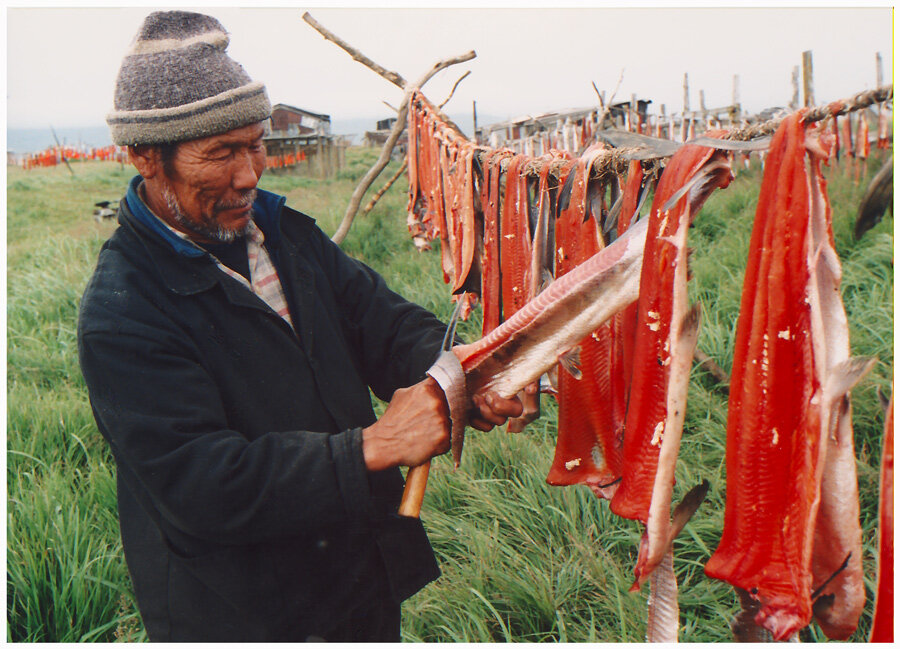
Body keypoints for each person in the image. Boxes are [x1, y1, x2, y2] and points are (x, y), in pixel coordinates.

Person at [77, 10, 521, 642]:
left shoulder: (284, 236)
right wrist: (372, 447)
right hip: (240, 609)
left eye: (256, 143)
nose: (249, 174)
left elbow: (383, 324)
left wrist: (468, 376)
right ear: (147, 157)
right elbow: (199, 483)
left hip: (355, 575)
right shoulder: (125, 310)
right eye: (220, 153)